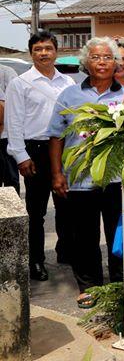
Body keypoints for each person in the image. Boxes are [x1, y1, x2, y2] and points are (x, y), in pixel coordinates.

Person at [47, 37, 124, 308]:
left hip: (117, 180)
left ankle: (119, 286)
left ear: (116, 63)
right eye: (95, 57)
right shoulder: (69, 95)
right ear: (85, 62)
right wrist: (57, 174)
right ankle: (89, 287)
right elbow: (56, 136)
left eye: (107, 57)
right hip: (80, 180)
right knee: (84, 238)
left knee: (118, 236)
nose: (102, 62)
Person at [5, 31, 75, 281]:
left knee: (66, 206)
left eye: (48, 48)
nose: (43, 53)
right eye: (38, 49)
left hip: (65, 149)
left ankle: (66, 251)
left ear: (56, 51)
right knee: (36, 212)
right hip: (35, 151)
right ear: (31, 53)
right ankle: (35, 260)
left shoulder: (68, 82)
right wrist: (21, 156)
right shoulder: (20, 83)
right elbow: (13, 122)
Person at [0, 63, 19, 193]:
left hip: (5, 137)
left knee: (10, 180)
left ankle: (12, 205)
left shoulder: (6, 71)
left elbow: (4, 106)